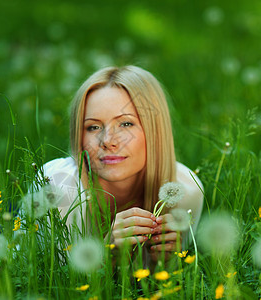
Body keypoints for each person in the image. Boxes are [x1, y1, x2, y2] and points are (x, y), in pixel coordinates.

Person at [43, 65, 203, 265]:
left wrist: (164, 265)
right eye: (93, 127)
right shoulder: (57, 187)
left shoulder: (187, 191)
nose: (108, 140)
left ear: (155, 131)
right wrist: (108, 255)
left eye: (126, 124)